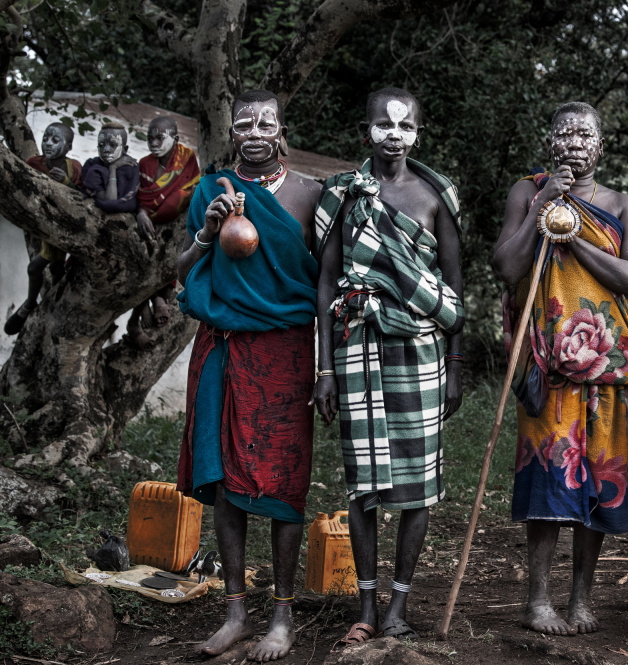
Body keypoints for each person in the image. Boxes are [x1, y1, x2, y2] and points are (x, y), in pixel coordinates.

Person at [492, 101, 628, 636]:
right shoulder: (528, 192)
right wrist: (546, 207)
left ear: (601, 146)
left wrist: (574, 237)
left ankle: (581, 598)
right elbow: (507, 267)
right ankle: (538, 601)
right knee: (548, 482)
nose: (576, 143)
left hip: (605, 369)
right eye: (566, 134)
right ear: (551, 143)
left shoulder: (622, 204)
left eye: (586, 135)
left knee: (598, 486)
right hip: (547, 367)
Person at [312, 87, 464, 647]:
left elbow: (452, 289)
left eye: (405, 126)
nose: (394, 134)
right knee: (363, 485)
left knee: (417, 486)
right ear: (366, 130)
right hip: (356, 346)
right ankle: (368, 605)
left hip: (420, 351)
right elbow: (326, 282)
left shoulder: (433, 197)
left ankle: (400, 602)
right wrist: (325, 369)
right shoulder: (345, 197)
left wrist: (456, 364)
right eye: (384, 125)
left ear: (417, 135)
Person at [175, 89, 322, 662]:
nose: (256, 131)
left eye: (267, 122)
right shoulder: (210, 191)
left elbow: (328, 283)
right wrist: (207, 235)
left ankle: (282, 616)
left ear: (282, 128)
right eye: (244, 124)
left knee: (283, 482)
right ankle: (236, 610)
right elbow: (181, 272)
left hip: (284, 352)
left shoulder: (310, 194)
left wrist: (328, 367)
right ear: (232, 133)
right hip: (220, 350)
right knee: (224, 480)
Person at [126, 116, 201, 349]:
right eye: (150, 138)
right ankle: (147, 309)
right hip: (146, 224)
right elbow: (139, 197)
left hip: (177, 227)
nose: (154, 143)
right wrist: (141, 214)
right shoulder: (144, 164)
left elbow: (191, 190)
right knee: (144, 260)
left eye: (160, 137)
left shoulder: (187, 159)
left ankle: (156, 302)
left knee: (170, 262)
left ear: (175, 138)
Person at [4, 123, 82, 335]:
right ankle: (36, 305)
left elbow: (84, 199)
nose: (48, 143)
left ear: (68, 147)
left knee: (38, 268)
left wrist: (67, 183)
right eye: (46, 138)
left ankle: (30, 305)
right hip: (41, 228)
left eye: (55, 141)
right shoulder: (33, 163)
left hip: (64, 231)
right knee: (54, 271)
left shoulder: (73, 168)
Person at [81, 121, 140, 214]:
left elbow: (111, 203)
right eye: (101, 145)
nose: (106, 149)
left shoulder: (131, 168)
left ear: (125, 149)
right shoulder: (92, 167)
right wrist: (113, 168)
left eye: (113, 145)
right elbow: (110, 200)